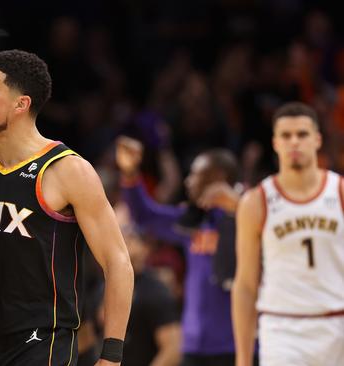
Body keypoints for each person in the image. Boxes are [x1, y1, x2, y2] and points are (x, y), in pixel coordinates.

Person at [0, 49, 133, 365]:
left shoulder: (66, 169)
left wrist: (112, 355)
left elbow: (118, 261)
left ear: (20, 104)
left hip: (42, 343)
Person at [233, 102, 344, 366]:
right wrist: (243, 357)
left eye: (302, 134)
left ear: (317, 140)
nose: (294, 142)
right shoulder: (256, 202)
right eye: (286, 135)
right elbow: (246, 285)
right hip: (282, 328)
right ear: (275, 143)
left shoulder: (339, 191)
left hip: (337, 324)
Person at [116, 136, 243, 366]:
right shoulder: (193, 221)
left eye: (196, 174)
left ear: (218, 178)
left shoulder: (250, 216)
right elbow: (147, 217)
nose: (188, 181)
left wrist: (238, 208)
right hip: (194, 345)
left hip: (236, 345)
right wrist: (130, 174)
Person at [118, 227, 181, 366]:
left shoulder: (155, 290)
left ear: (145, 248)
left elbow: (173, 349)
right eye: (120, 237)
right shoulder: (105, 283)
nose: (122, 241)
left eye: (130, 238)